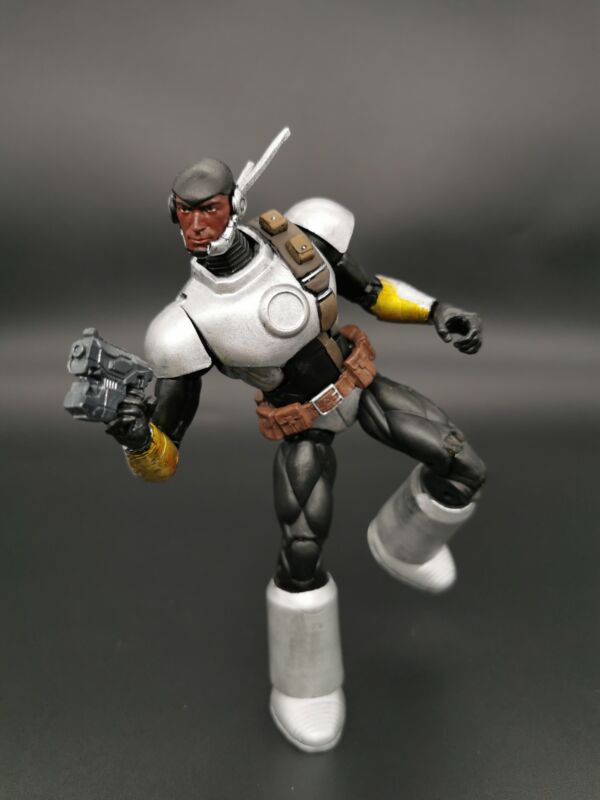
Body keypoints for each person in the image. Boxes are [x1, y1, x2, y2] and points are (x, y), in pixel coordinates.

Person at [105, 129, 486, 753]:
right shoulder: (185, 325)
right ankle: (303, 685)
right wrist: (136, 437)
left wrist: (436, 310)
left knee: (463, 467)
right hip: (301, 425)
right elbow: (164, 455)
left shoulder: (300, 237)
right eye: (183, 213)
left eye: (209, 210)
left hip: (360, 384)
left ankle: (404, 544)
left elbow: (371, 291)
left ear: (235, 203)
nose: (196, 226)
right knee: (302, 553)